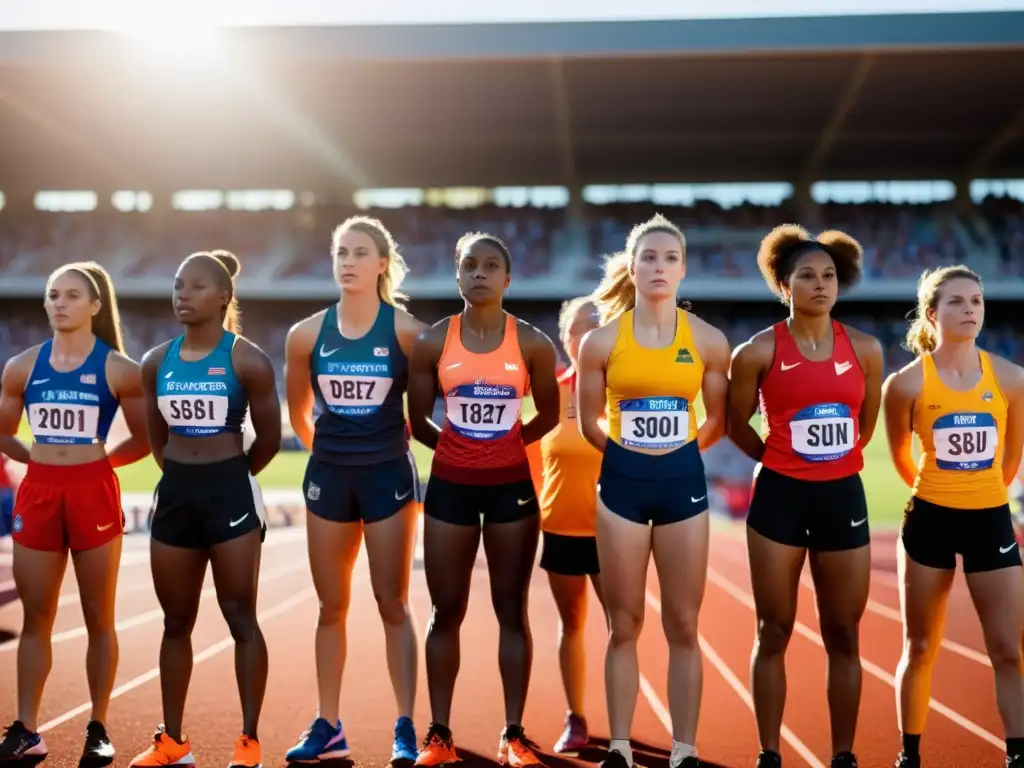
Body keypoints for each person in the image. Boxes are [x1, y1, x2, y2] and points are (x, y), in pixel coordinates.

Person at [726, 225, 884, 768]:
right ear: (784, 284)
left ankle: (844, 755)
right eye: (807, 276)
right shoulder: (757, 351)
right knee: (774, 628)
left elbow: (864, 426)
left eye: (829, 275)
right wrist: (779, 459)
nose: (820, 284)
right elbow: (735, 422)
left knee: (843, 632)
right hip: (779, 499)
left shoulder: (865, 349)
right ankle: (769, 752)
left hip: (842, 495)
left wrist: (829, 462)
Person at [576, 214, 730, 768]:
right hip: (621, 488)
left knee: (684, 623)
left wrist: (680, 453)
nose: (659, 267)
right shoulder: (600, 341)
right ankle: (619, 745)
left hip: (682, 485)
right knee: (625, 623)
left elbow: (716, 420)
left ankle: (683, 750)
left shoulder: (709, 342)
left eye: (670, 258)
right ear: (633, 266)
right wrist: (625, 458)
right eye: (649, 257)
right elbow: (589, 422)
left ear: (683, 269)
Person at [408, 232, 560, 767]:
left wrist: (509, 444)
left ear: (507, 279)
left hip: (510, 489)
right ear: (457, 275)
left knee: (510, 609)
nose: (479, 273)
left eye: (491, 265)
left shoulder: (533, 343)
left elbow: (549, 412)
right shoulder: (433, 342)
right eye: (469, 264)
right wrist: (453, 447)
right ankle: (440, 735)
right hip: (450, 485)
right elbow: (417, 417)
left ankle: (513, 733)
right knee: (446, 608)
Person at [129, 250, 281, 768]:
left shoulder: (248, 360)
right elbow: (157, 439)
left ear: (223, 297)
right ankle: (173, 740)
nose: (182, 295)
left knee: (241, 616)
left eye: (195, 286)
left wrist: (231, 478)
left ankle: (248, 740)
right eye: (177, 285)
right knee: (176, 621)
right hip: (177, 496)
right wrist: (184, 478)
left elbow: (270, 441)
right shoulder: (156, 362)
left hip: (230, 494)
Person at [283, 217, 425, 764]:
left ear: (382, 264)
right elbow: (299, 410)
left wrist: (375, 444)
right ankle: (328, 723)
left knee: (393, 602)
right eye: (341, 251)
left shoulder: (407, 332)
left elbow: (423, 406)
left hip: (388, 474)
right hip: (329, 477)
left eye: (360, 252)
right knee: (329, 606)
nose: (347, 261)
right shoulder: (305, 335)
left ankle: (406, 726)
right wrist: (329, 449)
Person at [0, 261, 150, 765]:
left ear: (95, 305)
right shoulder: (21, 367)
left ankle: (99, 727)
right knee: (36, 617)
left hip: (92, 494)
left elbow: (145, 438)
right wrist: (33, 460)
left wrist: (99, 462)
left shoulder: (119, 369)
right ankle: (27, 728)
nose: (59, 302)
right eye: (52, 294)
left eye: (70, 295)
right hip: (40, 492)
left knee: (98, 618)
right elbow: (3, 432)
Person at [882, 266, 1024, 768]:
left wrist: (980, 492)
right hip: (930, 522)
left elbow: (1010, 459)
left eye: (977, 301)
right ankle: (911, 753)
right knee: (919, 646)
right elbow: (902, 457)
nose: (970, 310)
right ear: (932, 313)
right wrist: (940, 490)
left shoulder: (1010, 377)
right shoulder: (903, 385)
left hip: (990, 520)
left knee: (1008, 647)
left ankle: (1017, 752)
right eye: (957, 302)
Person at [528, 296, 607, 754]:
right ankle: (575, 717)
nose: (588, 332)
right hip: (560, 526)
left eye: (598, 324)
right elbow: (533, 461)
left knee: (623, 627)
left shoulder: (621, 392)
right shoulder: (551, 393)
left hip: (614, 530)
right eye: (579, 326)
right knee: (570, 624)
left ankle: (618, 717)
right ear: (566, 338)